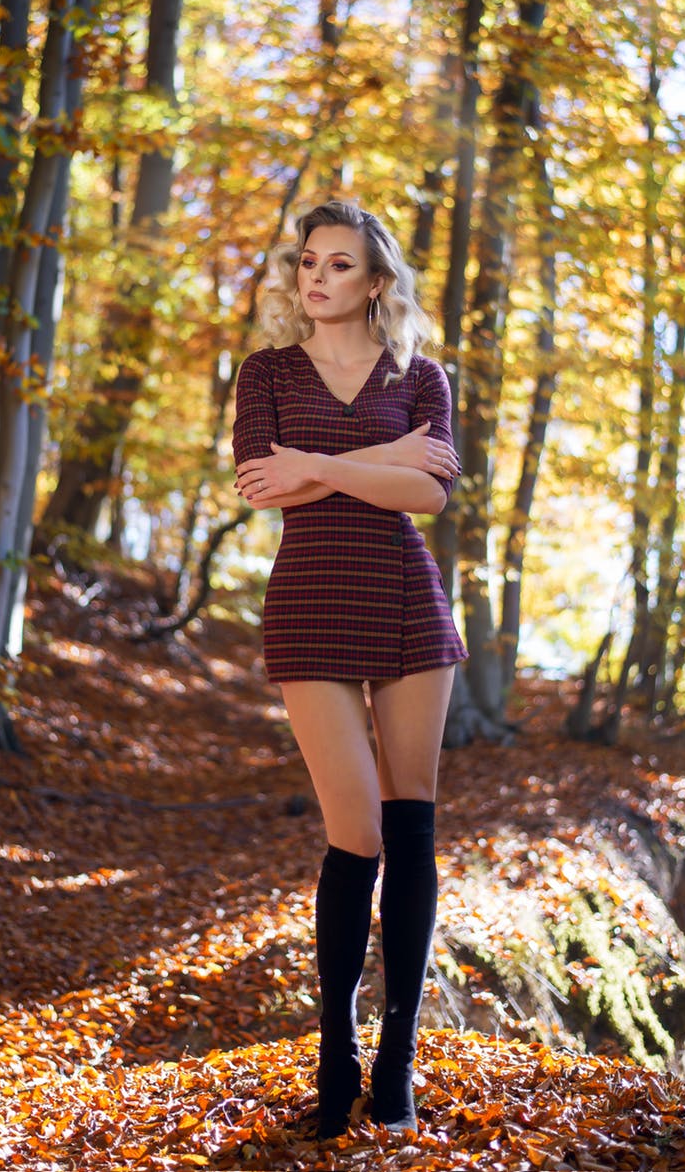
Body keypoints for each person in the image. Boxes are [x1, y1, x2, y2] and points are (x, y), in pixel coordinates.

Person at [232, 200, 468, 1139]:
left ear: (377, 284)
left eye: (338, 265)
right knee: (355, 830)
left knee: (411, 825)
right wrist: (379, 460)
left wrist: (317, 464)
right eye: (307, 262)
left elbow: (430, 495)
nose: (315, 278)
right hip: (310, 602)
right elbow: (260, 485)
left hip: (407, 601)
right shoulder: (267, 374)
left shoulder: (424, 375)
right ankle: (336, 1045)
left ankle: (398, 1055)